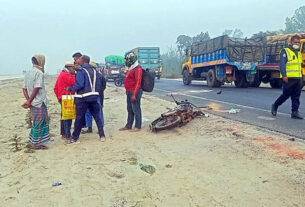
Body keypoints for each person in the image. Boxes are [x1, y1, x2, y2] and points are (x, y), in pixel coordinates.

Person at [67, 55, 105, 144]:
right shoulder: (95, 71)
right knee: (97, 117)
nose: (77, 60)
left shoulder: (81, 71)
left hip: (83, 98)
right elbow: (100, 83)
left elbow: (80, 84)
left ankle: (74, 138)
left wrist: (70, 88)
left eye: (79, 59)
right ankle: (102, 135)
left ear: (83, 61)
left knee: (79, 118)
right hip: (94, 96)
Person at [271, 35, 304, 119]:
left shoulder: (298, 52)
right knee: (286, 95)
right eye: (295, 42)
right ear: (291, 42)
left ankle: (295, 112)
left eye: (298, 42)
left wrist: (301, 76)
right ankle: (275, 105)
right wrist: (284, 75)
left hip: (298, 78)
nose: (297, 44)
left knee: (296, 96)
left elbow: (299, 65)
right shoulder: (285, 51)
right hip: (288, 78)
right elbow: (282, 64)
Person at [22, 55, 50, 149]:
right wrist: (29, 101)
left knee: (36, 121)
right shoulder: (39, 73)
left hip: (33, 102)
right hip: (39, 102)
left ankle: (33, 140)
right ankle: (37, 143)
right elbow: (37, 87)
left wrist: (28, 100)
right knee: (40, 121)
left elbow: (24, 89)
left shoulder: (28, 72)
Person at [119, 51, 143, 132]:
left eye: (128, 59)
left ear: (132, 59)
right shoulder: (131, 68)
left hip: (134, 92)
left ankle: (138, 126)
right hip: (129, 91)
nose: (126, 61)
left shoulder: (138, 69)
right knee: (129, 109)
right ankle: (129, 125)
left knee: (136, 109)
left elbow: (138, 82)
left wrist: (134, 94)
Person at [54, 61, 76, 139]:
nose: (74, 69)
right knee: (68, 116)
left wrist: (58, 97)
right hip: (67, 98)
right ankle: (67, 135)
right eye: (73, 68)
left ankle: (63, 133)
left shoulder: (61, 74)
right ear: (69, 68)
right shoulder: (66, 75)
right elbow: (73, 82)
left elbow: (55, 88)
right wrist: (74, 75)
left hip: (62, 97)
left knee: (64, 115)